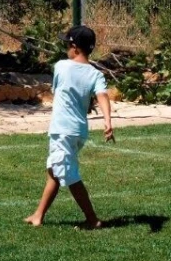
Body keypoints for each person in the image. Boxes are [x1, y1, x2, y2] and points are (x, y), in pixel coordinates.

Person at [25, 25, 113, 229]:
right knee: (54, 171)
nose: (66, 49)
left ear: (75, 47)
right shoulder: (96, 74)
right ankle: (38, 215)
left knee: (68, 174)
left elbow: (58, 91)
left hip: (62, 130)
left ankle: (92, 219)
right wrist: (108, 121)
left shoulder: (61, 66)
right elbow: (102, 96)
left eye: (67, 45)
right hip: (78, 131)